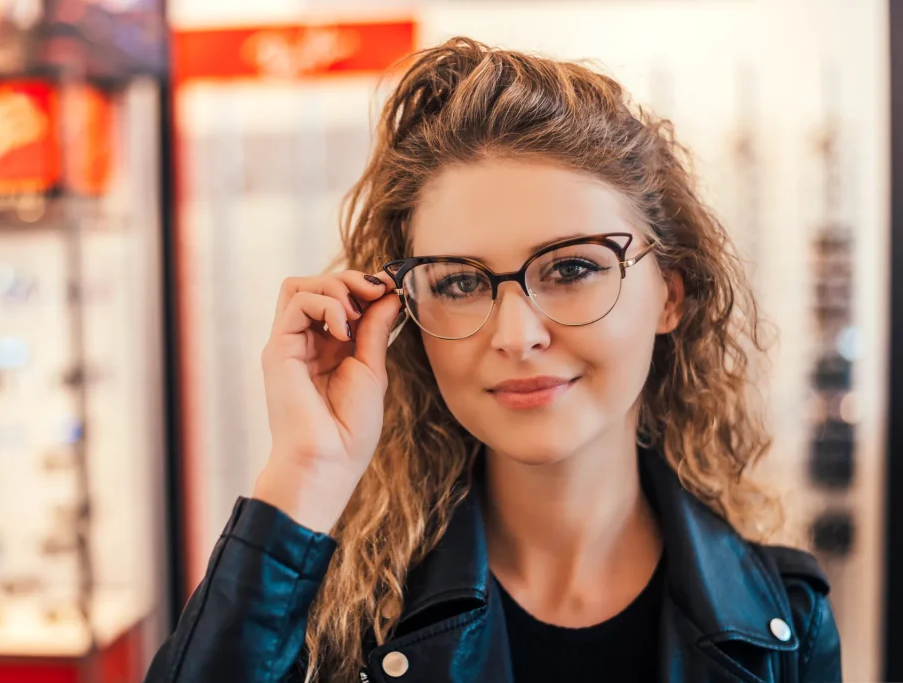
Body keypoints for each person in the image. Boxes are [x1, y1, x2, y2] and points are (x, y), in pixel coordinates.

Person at [145, 37, 842, 683]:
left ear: (671, 296)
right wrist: (305, 473)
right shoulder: (337, 620)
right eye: (459, 281)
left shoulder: (782, 627)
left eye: (571, 268)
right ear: (406, 314)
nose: (516, 334)